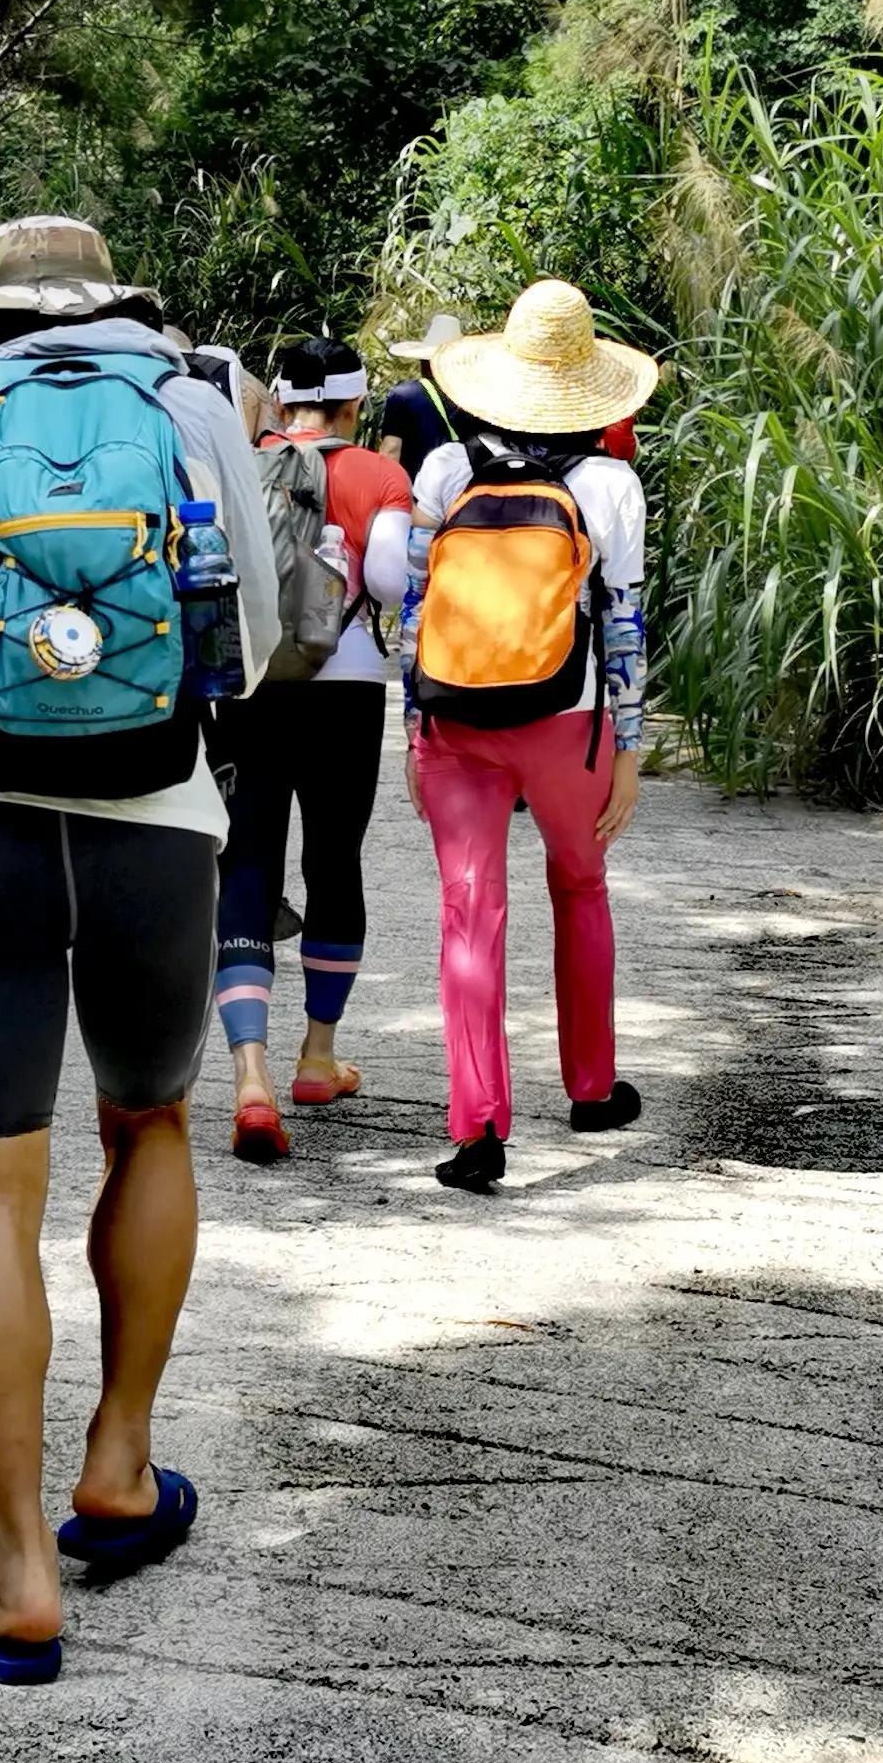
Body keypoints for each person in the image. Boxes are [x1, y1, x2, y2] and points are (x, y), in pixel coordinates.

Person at [0, 216, 280, 1683]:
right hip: (163, 827)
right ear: (114, 297)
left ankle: (22, 1575)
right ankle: (121, 1469)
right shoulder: (196, 407)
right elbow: (253, 640)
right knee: (148, 1122)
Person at [365, 280, 659, 1195]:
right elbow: (624, 624)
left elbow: (417, 607)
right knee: (581, 883)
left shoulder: (449, 473)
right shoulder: (609, 483)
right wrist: (633, 748)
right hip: (565, 725)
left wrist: (415, 726)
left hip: (455, 717)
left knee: (469, 912)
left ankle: (478, 1130)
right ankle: (591, 1087)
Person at [214, 336, 412, 1164]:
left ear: (282, 400)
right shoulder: (375, 474)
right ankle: (317, 1059)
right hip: (348, 685)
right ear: (354, 404)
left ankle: (249, 1076)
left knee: (249, 862)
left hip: (253, 683)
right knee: (335, 860)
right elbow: (396, 581)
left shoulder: (238, 465)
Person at [373, 314, 463, 473]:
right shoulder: (473, 396)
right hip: (467, 491)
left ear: (423, 360)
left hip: (417, 491)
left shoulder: (404, 395)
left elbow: (391, 450)